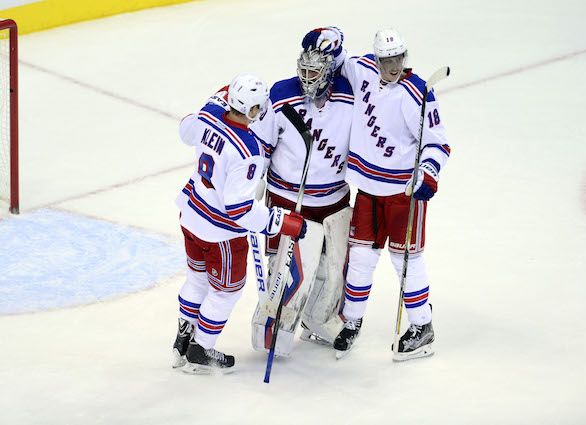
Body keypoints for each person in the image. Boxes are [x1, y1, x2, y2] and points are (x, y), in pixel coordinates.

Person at [302, 27, 451, 360]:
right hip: (367, 192)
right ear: (377, 58)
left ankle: (421, 327)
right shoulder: (363, 69)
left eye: (398, 58)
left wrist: (428, 173)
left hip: (402, 194)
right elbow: (335, 57)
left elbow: (437, 142)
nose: (393, 66)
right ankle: (351, 321)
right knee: (360, 261)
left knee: (405, 261)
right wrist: (327, 36)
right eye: (387, 60)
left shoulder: (418, 93)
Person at [171, 73, 307, 375]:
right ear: (252, 112)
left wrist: (213, 100)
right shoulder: (248, 151)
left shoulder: (209, 114)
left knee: (197, 279)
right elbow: (239, 209)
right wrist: (281, 222)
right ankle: (200, 350)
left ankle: (183, 339)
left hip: (191, 216)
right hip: (221, 234)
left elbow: (185, 131)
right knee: (225, 292)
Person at [248, 40, 355, 357]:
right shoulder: (281, 94)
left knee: (333, 268)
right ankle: (272, 327)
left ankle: (320, 319)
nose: (308, 78)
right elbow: (261, 144)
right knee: (289, 271)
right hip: (288, 198)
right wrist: (254, 183)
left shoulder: (350, 95)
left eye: (315, 72)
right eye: (304, 70)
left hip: (335, 199)